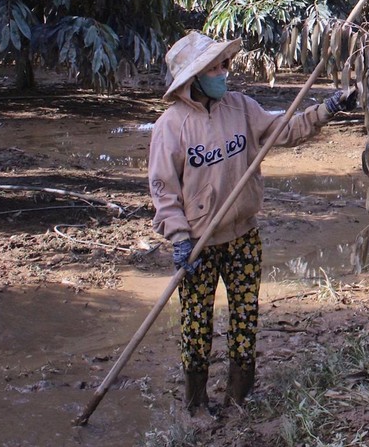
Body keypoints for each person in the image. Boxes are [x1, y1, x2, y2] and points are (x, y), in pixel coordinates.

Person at [147, 31, 356, 415]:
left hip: (243, 237)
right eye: (216, 66)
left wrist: (327, 108)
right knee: (196, 325)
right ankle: (195, 405)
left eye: (225, 64)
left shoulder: (241, 108)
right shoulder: (171, 126)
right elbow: (163, 190)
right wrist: (178, 238)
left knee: (246, 317)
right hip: (198, 245)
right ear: (194, 77)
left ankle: (239, 397)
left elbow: (285, 129)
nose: (225, 72)